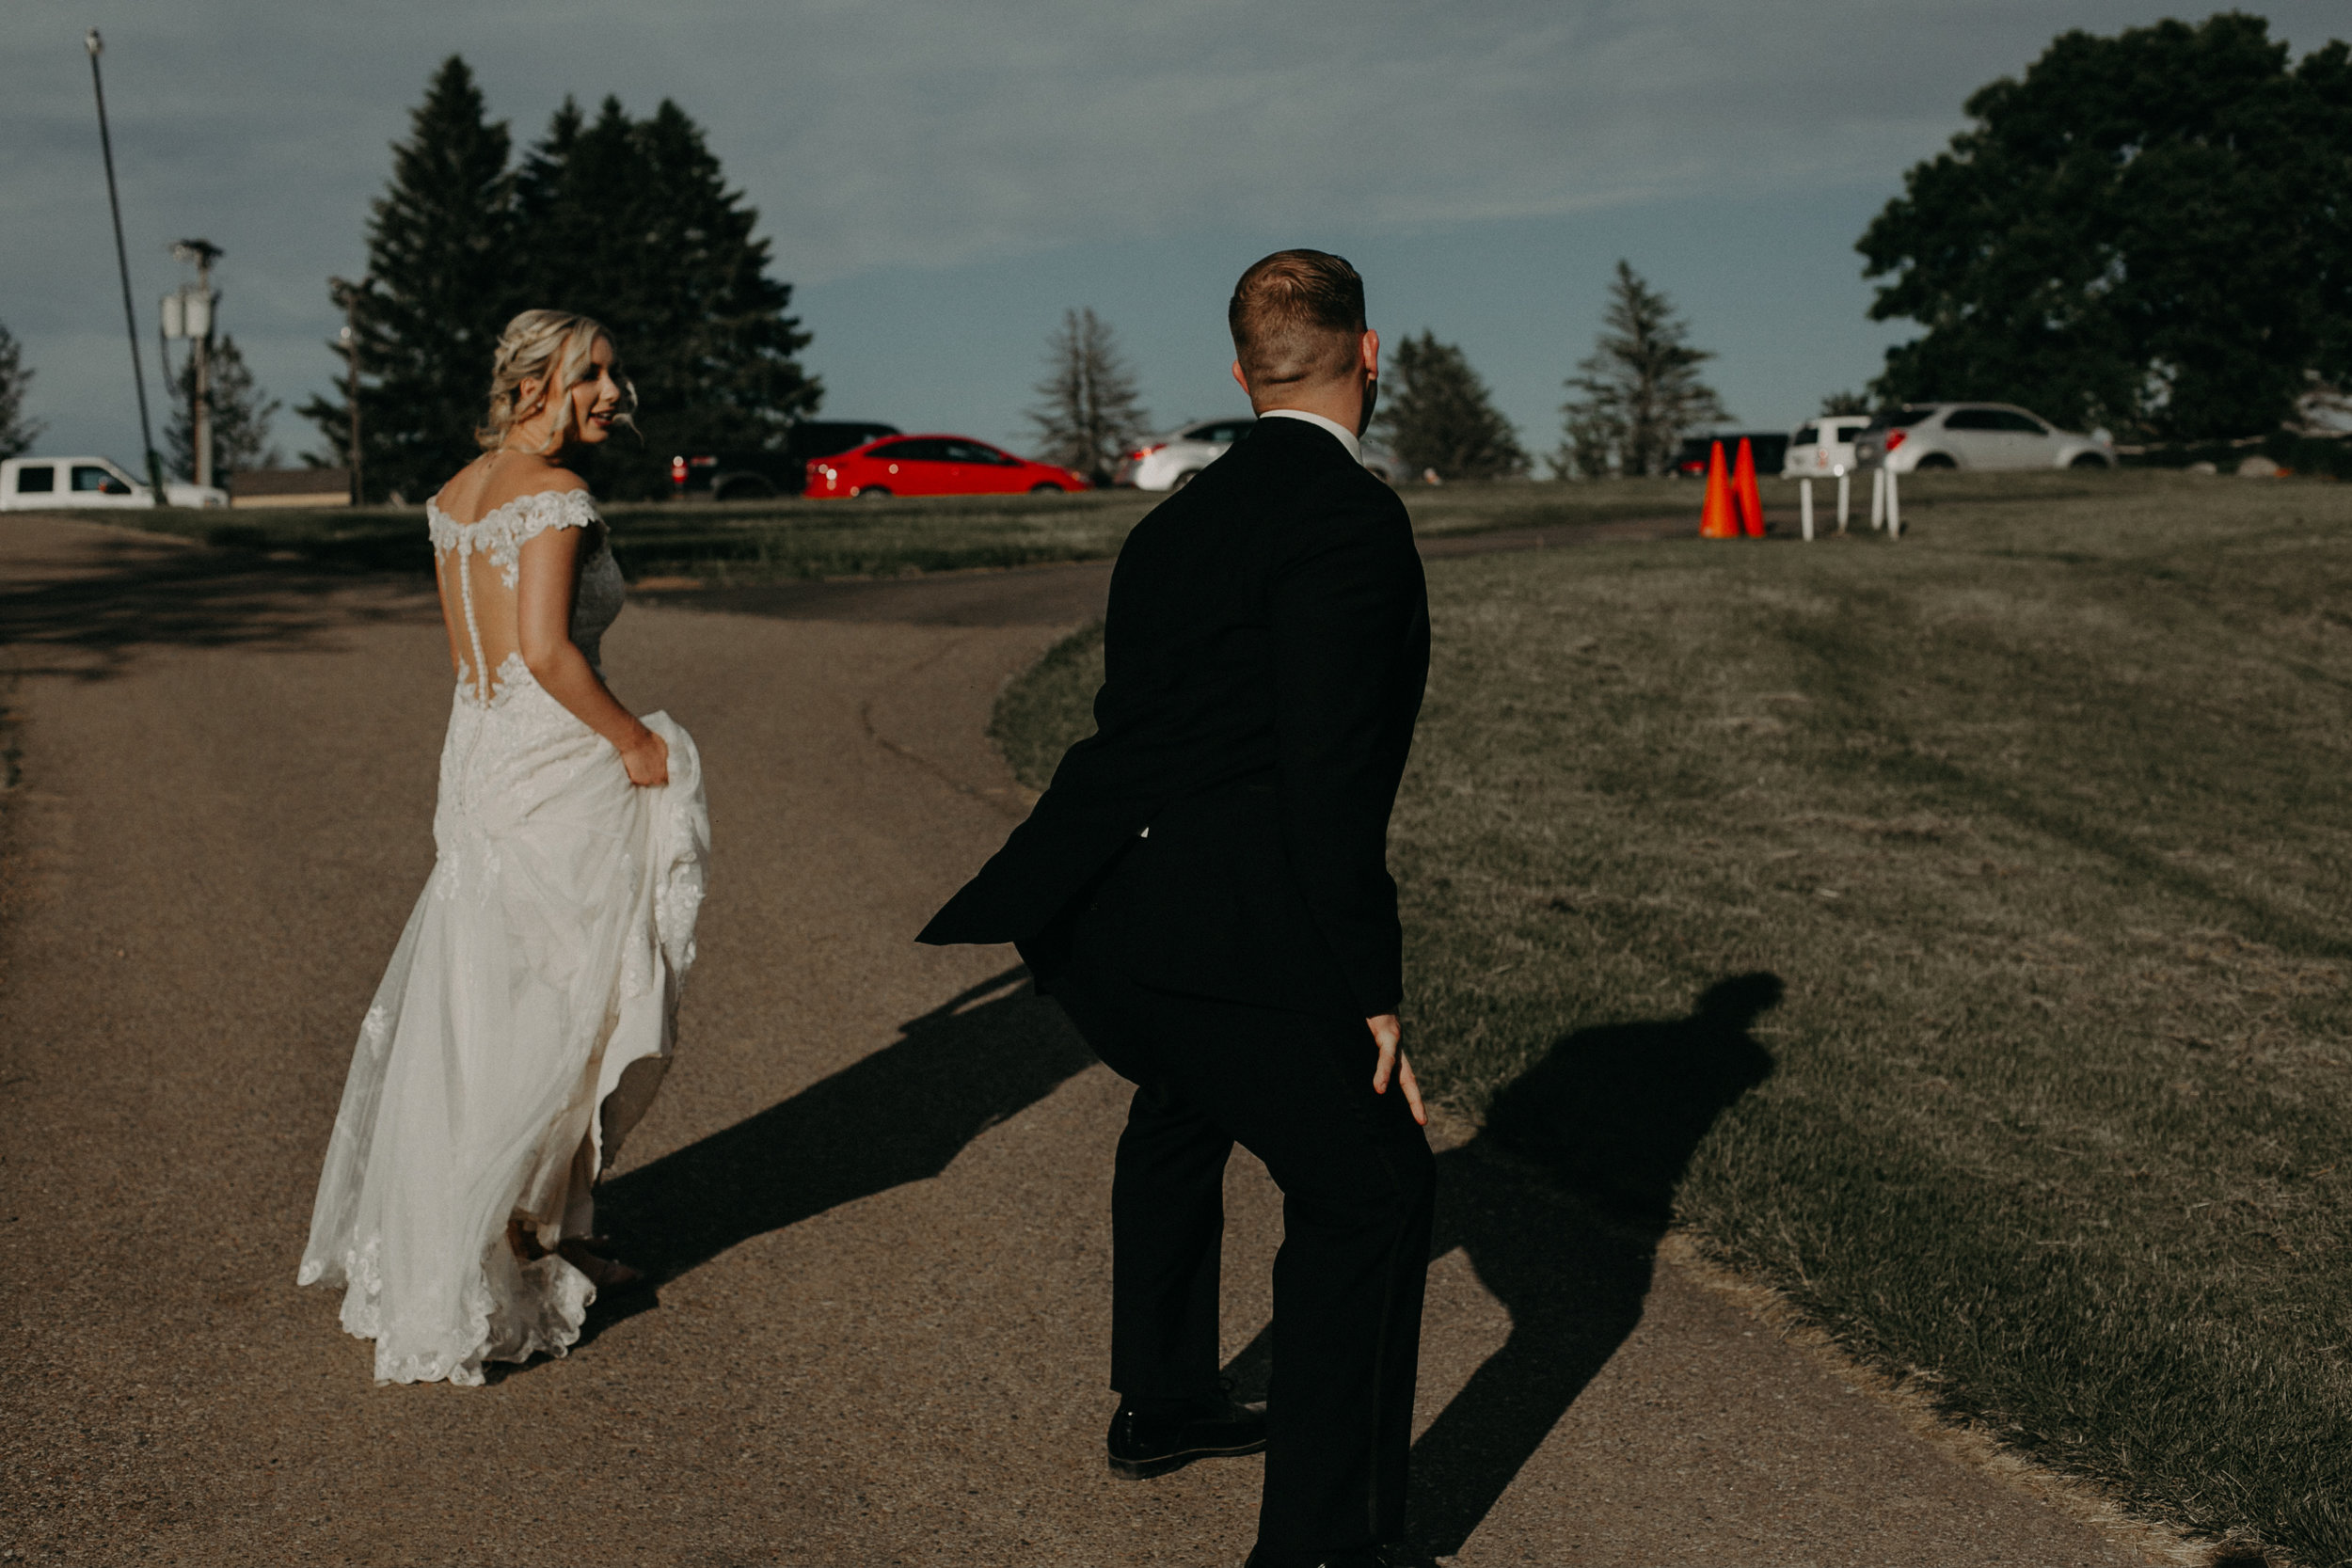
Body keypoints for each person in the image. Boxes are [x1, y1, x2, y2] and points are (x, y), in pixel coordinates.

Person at [920, 251, 1433, 1568]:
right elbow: (1333, 778)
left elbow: (1149, 731)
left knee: (1187, 1094)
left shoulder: (1171, 523)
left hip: (1104, 917)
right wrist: (1370, 987)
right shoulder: (1351, 521)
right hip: (1224, 924)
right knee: (1372, 1188)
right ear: (1369, 356)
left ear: (1239, 372)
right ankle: (1326, 1545)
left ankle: (1166, 1396)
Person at [297, 310, 709, 1386]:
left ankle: (518, 1228)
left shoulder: (455, 495)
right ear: (534, 384)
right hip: (556, 765)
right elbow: (544, 651)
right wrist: (635, 742)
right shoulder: (556, 498)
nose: (613, 393)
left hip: (478, 758)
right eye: (593, 375)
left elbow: (477, 659)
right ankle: (511, 1233)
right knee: (567, 1003)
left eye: (613, 373)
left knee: (483, 999)